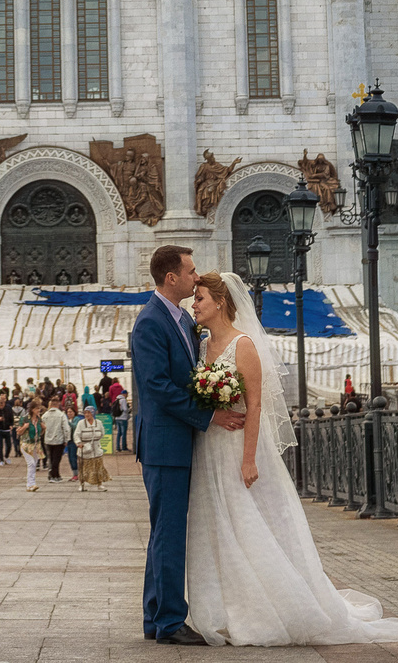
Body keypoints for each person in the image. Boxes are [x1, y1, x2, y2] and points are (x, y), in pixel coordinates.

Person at [179, 271, 398, 645]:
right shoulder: (201, 347)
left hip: (237, 446)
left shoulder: (243, 345)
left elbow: (256, 405)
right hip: (209, 447)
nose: (194, 305)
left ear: (220, 302)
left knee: (249, 521)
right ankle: (220, 606)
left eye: (199, 298)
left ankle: (267, 608)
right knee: (214, 523)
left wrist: (249, 459)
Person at [132, 246, 242, 645]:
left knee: (164, 532)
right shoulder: (150, 322)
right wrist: (210, 415)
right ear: (171, 277)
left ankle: (154, 615)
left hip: (175, 442)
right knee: (170, 533)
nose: (197, 279)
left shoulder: (178, 317)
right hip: (165, 445)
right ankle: (170, 622)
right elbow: (157, 388)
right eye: (191, 272)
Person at [72, 400, 109, 491]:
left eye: (88, 413)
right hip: (84, 448)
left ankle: (99, 484)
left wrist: (96, 439)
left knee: (98, 467)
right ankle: (81, 484)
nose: (87, 415)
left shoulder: (98, 423)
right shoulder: (81, 423)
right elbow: (76, 434)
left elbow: (102, 433)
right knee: (83, 467)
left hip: (96, 448)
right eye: (85, 413)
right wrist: (79, 443)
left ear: (92, 413)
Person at [41, 395, 70, 482]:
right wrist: (66, 439)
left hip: (47, 439)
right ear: (58, 405)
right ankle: (53, 475)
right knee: (56, 459)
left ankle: (56, 475)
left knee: (51, 458)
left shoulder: (45, 415)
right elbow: (66, 428)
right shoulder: (61, 415)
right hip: (58, 439)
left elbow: (42, 426)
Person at [20, 402, 44, 491]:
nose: (39, 410)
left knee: (34, 462)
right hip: (26, 444)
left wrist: (43, 430)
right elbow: (18, 432)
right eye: (37, 408)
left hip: (35, 444)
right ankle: (30, 484)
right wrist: (24, 427)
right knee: (31, 463)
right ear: (33, 410)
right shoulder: (25, 419)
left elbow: (41, 430)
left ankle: (31, 484)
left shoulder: (39, 419)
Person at [0, 394, 15, 464]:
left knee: (9, 445)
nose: (1, 405)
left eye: (2, 404)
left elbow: (11, 418)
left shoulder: (8, 410)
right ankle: (1, 459)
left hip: (7, 429)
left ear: (5, 403)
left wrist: (11, 425)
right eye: (0, 404)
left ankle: (6, 456)